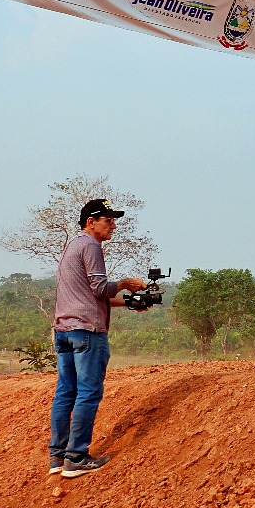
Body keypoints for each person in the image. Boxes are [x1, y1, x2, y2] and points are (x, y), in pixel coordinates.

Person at [49, 199, 148, 479]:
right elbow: (101, 287)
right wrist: (126, 283)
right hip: (87, 332)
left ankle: (57, 456)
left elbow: (91, 294)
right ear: (91, 223)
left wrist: (129, 302)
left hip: (65, 330)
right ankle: (76, 457)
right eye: (108, 220)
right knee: (89, 392)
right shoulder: (91, 246)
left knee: (66, 392)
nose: (113, 225)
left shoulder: (72, 247)